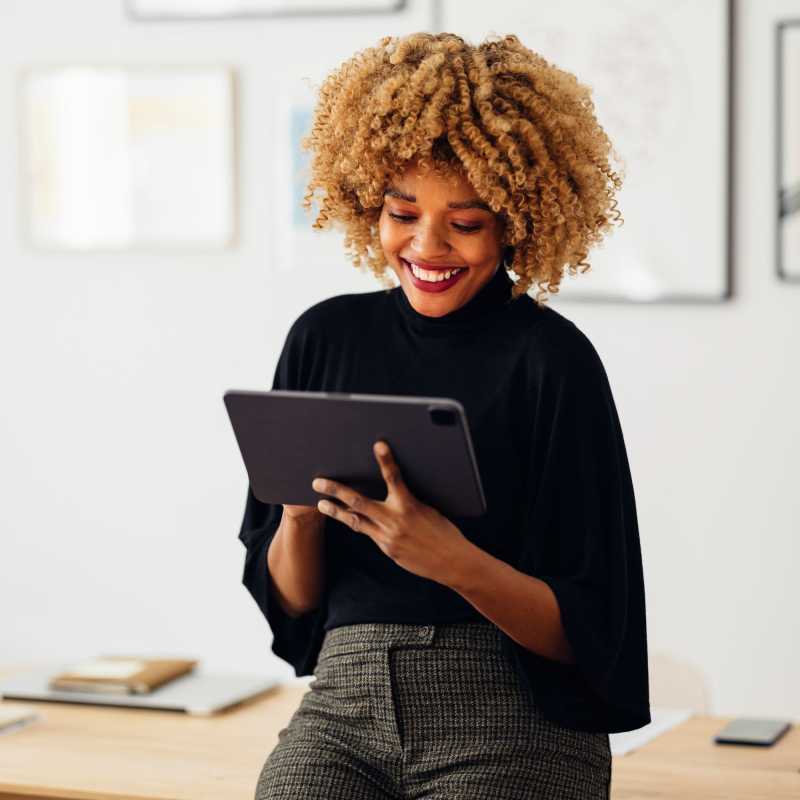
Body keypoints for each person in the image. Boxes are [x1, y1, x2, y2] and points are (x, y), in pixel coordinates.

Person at [239, 31, 650, 800]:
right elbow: (291, 606)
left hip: (514, 716)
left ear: (518, 219)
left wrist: (448, 559)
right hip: (341, 707)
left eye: (465, 223)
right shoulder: (323, 338)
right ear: (368, 204)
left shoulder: (551, 361)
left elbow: (591, 630)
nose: (427, 247)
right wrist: (297, 518)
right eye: (402, 213)